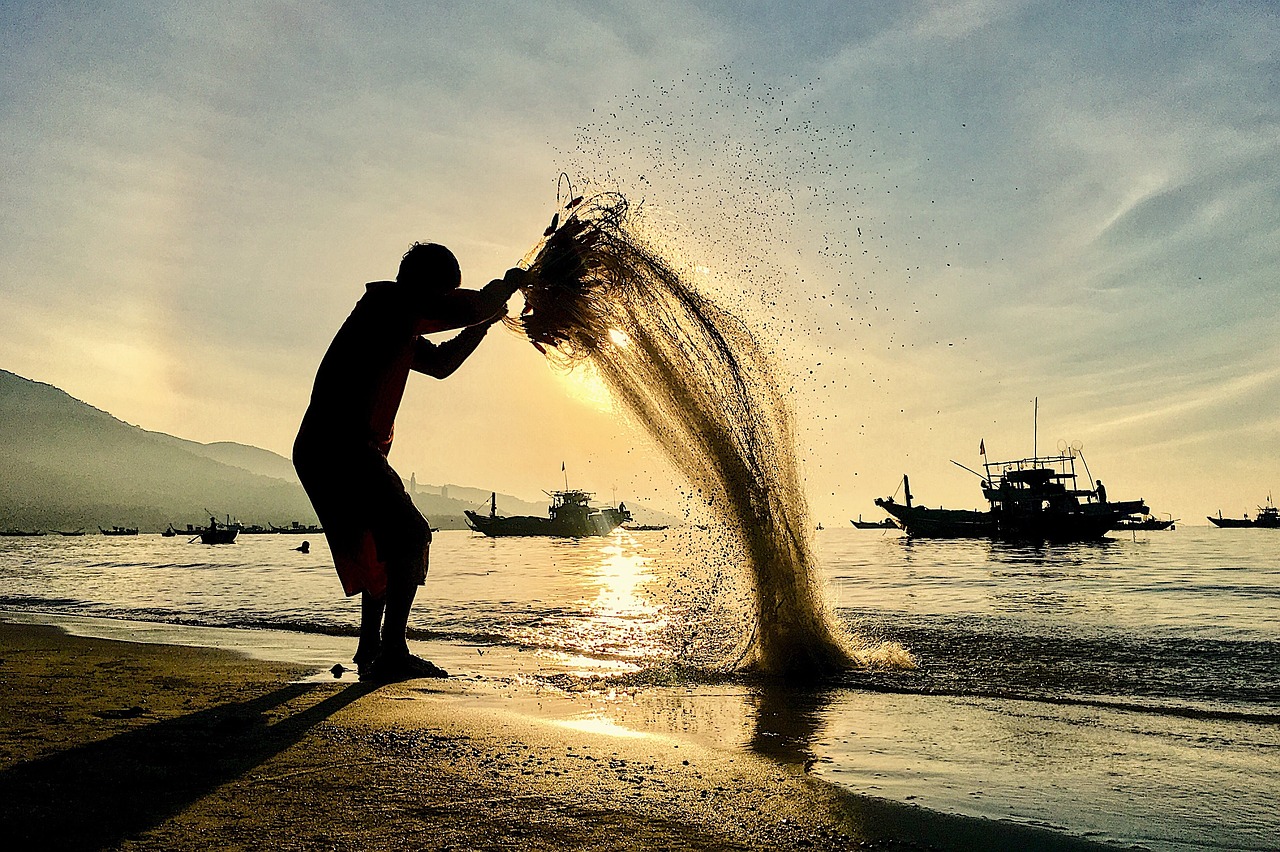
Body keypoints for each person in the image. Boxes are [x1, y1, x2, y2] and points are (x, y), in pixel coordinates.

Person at [293, 242, 523, 682]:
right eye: (442, 291)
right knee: (411, 534)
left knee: (383, 543)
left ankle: (370, 649)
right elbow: (469, 306)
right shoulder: (388, 304)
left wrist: (485, 324)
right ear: (423, 283)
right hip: (339, 446)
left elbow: (440, 363)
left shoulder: (395, 322)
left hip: (330, 448)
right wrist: (506, 288)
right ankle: (393, 652)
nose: (442, 301)